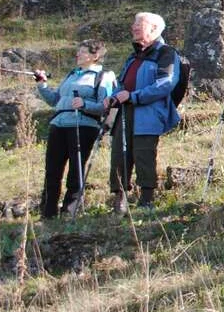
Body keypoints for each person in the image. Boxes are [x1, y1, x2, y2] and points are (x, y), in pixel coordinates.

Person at [106, 13, 182, 213]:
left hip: (148, 112)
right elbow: (122, 83)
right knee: (119, 155)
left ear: (154, 29)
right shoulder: (134, 56)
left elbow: (165, 84)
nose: (133, 27)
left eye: (139, 24)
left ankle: (146, 200)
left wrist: (134, 96)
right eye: (134, 23)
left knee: (144, 154)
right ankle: (119, 199)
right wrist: (113, 96)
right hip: (125, 111)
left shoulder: (166, 53)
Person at [35, 40, 115, 218]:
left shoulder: (103, 76)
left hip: (84, 126)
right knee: (52, 170)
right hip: (59, 124)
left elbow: (106, 106)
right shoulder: (72, 74)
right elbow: (55, 100)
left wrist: (85, 104)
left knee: (76, 170)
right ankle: (48, 212)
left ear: (95, 56)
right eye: (78, 51)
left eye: (82, 51)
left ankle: (69, 211)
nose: (77, 54)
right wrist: (42, 85)